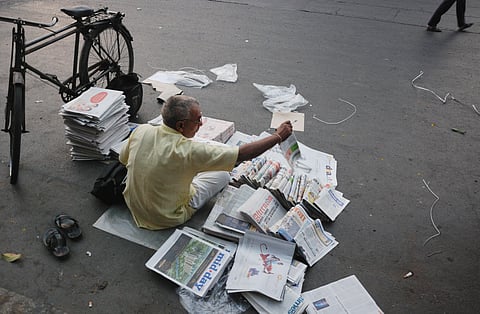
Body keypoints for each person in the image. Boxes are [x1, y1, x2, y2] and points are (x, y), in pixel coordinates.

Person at [119, 95, 293, 230]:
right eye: (198, 120)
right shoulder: (189, 151)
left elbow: (123, 159)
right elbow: (242, 154)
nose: (201, 124)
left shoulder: (142, 130)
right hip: (167, 217)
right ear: (180, 126)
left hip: (135, 207)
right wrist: (277, 137)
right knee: (223, 174)